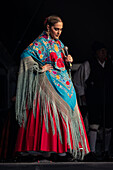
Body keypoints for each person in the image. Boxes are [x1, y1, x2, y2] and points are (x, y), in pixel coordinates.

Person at [14, 15, 90, 162]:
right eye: (56, 29)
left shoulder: (60, 44)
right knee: (51, 114)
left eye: (61, 29)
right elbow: (25, 55)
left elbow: (61, 63)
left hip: (64, 83)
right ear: (48, 27)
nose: (59, 32)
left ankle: (65, 148)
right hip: (48, 82)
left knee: (68, 110)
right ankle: (49, 149)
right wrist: (39, 67)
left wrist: (68, 61)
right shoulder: (40, 42)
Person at [73, 41, 113, 161]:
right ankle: (92, 151)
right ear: (96, 53)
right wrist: (82, 94)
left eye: (105, 51)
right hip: (94, 98)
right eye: (101, 51)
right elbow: (78, 80)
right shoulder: (88, 64)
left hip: (108, 98)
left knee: (108, 125)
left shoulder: (110, 63)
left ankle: (106, 151)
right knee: (94, 124)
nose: (103, 53)